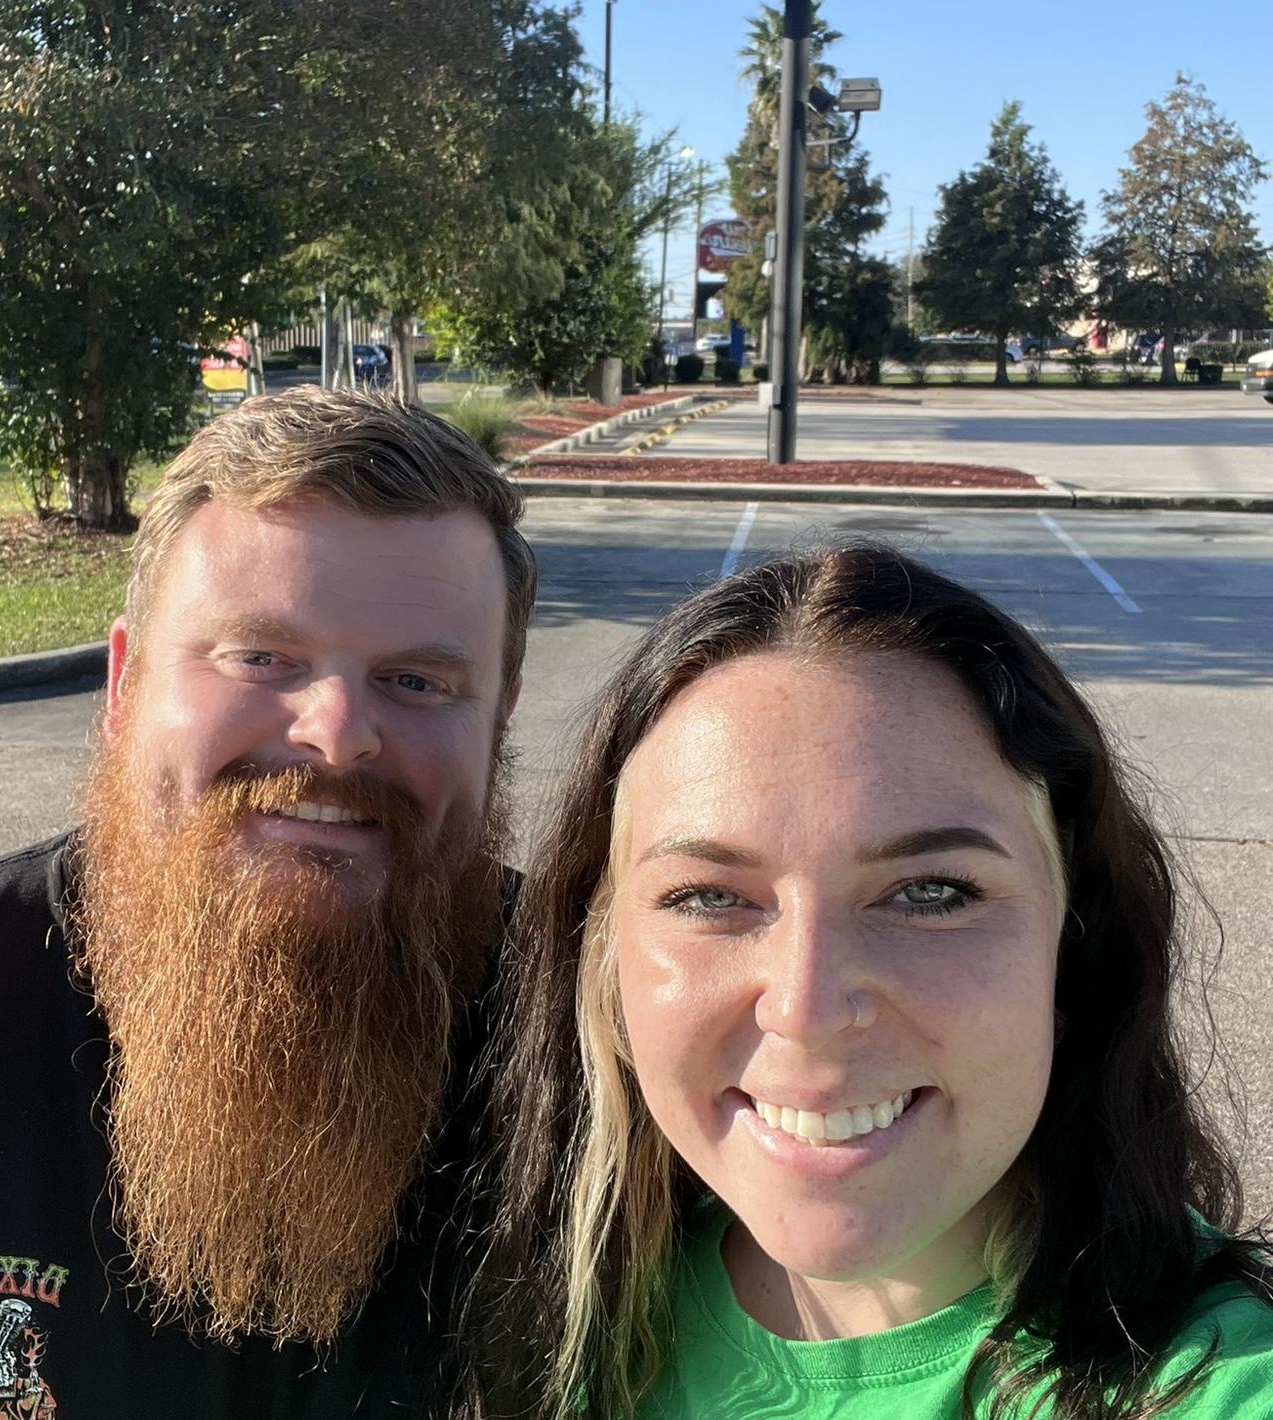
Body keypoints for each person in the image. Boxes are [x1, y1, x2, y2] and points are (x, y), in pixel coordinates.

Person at [0, 386, 534, 1417]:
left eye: (418, 682)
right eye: (261, 657)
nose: (338, 732)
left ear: (499, 721)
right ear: (123, 686)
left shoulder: (600, 1038)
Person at [467, 545, 1273, 1419]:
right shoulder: (542, 1314)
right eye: (708, 895)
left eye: (931, 893)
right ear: (604, 953)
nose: (807, 1009)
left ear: (1075, 944)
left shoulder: (1222, 1385)